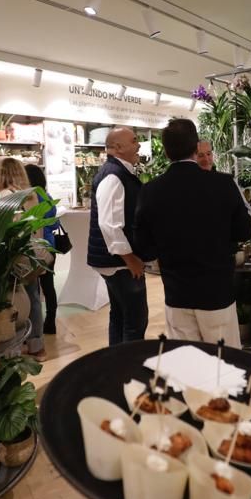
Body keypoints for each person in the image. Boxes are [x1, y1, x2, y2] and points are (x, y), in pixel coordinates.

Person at [135, 119, 251, 346]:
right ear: (196, 147)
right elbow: (243, 231)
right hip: (217, 291)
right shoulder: (223, 184)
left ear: (166, 152)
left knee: (187, 367)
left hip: (177, 293)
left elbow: (143, 248)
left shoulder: (150, 191)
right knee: (224, 365)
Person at [87, 126, 150, 345]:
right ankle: (128, 370)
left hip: (114, 262)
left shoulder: (118, 173)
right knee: (135, 321)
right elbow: (109, 223)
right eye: (134, 141)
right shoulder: (114, 176)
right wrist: (130, 258)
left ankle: (116, 366)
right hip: (120, 264)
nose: (138, 144)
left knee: (120, 315)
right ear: (117, 148)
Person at [0, 157, 48, 361]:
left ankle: (13, 348)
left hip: (11, 258)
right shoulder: (32, 195)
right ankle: (37, 346)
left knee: (11, 302)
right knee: (33, 299)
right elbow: (38, 229)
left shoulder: (1, 197)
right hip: (32, 256)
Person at [25, 164, 60, 335]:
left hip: (33, 248)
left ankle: (33, 328)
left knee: (32, 288)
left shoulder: (28, 198)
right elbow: (55, 223)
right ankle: (51, 322)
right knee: (49, 286)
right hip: (49, 248)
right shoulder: (47, 197)